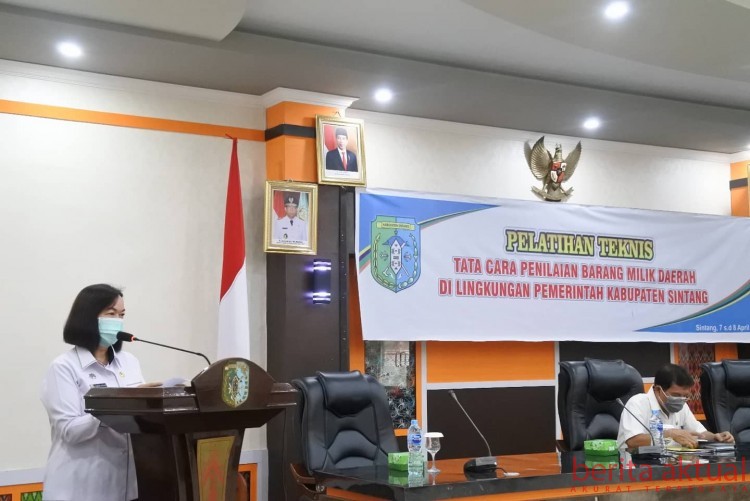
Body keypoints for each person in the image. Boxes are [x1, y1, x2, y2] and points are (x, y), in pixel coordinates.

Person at [41, 284, 145, 501]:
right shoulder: (64, 367)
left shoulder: (129, 363)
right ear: (88, 317)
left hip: (126, 486)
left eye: (122, 315)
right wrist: (115, 407)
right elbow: (70, 431)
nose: (118, 321)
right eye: (111, 314)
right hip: (80, 488)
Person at [617, 363, 734, 449]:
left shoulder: (682, 405)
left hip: (671, 466)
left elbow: (700, 433)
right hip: (635, 468)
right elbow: (633, 441)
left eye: (685, 396)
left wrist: (716, 437)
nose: (681, 399)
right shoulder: (637, 403)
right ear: (658, 390)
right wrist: (670, 434)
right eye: (676, 395)